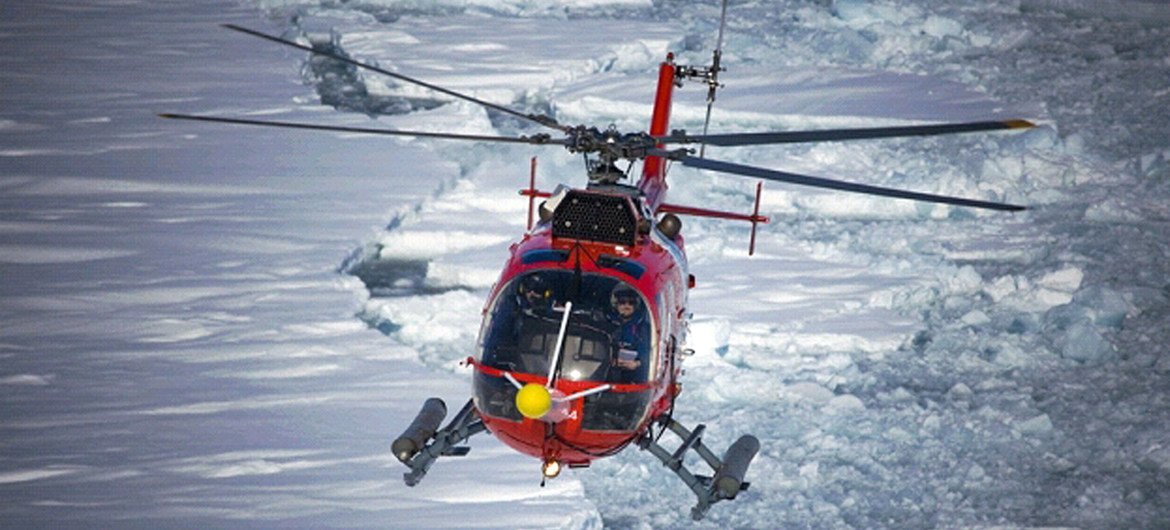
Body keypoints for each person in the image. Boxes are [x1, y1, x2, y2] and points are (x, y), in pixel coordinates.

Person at [607, 286, 649, 376]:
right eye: (622, 302)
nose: (627, 306)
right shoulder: (607, 323)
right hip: (607, 371)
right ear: (616, 305)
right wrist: (610, 360)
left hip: (632, 374)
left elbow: (648, 352)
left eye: (631, 303)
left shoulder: (642, 327)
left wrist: (637, 363)